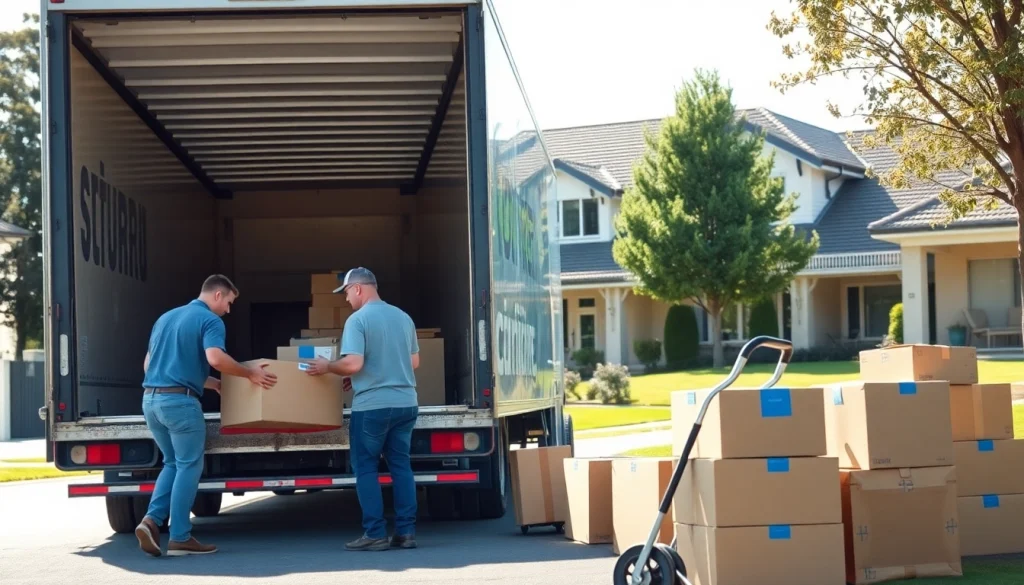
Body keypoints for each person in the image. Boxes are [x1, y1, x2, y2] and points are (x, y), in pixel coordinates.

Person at [135, 274, 278, 558]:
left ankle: (151, 520)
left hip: (151, 400)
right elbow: (215, 358)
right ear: (217, 295)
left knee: (172, 463)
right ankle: (180, 537)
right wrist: (249, 373)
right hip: (180, 405)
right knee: (188, 465)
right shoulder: (210, 321)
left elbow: (150, 365)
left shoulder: (165, 318)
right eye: (229, 302)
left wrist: (214, 384)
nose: (228, 309)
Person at [304, 267, 420, 551]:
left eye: (346, 293)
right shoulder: (403, 317)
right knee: (401, 466)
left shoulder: (358, 320)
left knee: (366, 466)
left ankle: (375, 533)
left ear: (358, 288)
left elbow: (353, 363)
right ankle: (406, 533)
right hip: (406, 403)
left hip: (373, 407)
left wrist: (328, 367)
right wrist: (358, 375)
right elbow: (414, 362)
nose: (346, 299)